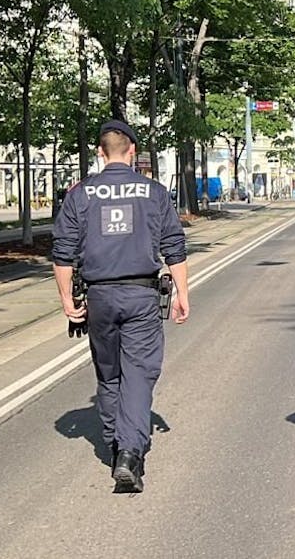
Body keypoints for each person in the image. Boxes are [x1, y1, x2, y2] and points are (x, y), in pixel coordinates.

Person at [52, 119, 188, 493]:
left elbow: (62, 253)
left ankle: (115, 441)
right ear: (132, 152)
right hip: (141, 295)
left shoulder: (80, 194)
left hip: (98, 297)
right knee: (140, 373)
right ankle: (129, 451)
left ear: (99, 152)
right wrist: (182, 294)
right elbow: (174, 246)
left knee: (109, 373)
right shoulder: (154, 192)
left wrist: (67, 299)